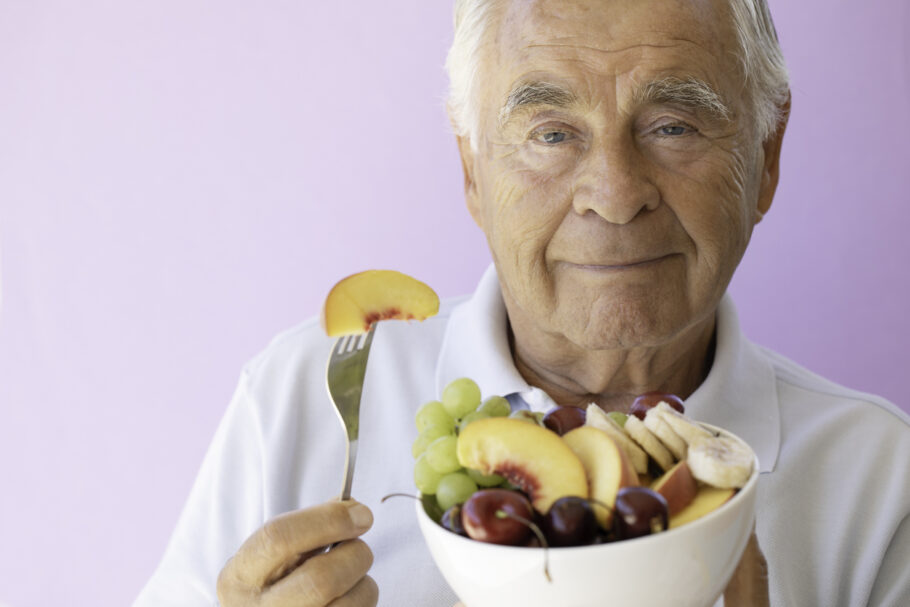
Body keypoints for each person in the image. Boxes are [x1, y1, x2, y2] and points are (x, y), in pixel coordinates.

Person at [134, 0, 910, 605]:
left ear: (765, 159)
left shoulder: (883, 481)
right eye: (550, 133)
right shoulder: (311, 399)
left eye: (673, 124)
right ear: (472, 171)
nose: (613, 195)